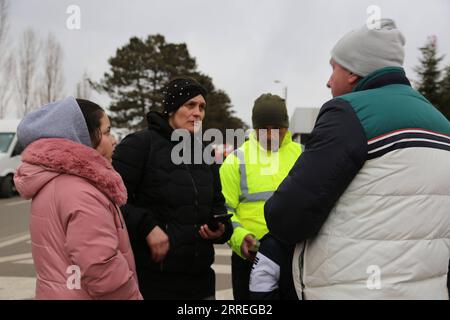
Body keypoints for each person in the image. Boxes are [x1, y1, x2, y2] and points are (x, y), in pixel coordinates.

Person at [265, 19, 450, 299]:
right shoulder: (441, 123)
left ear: (353, 71)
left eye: (333, 68)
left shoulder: (348, 114)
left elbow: (287, 217)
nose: (328, 80)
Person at [112, 77, 233, 300]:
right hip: (154, 281)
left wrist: (222, 228)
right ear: (172, 108)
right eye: (190, 105)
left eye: (202, 107)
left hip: (201, 282)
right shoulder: (139, 145)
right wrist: (147, 227)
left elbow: (217, 203)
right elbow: (110, 200)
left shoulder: (204, 151)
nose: (198, 113)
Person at [13, 97, 142, 300]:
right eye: (107, 132)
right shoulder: (82, 191)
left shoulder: (54, 181)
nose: (114, 139)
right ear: (84, 137)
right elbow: (101, 267)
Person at [219, 93, 302, 300]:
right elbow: (224, 210)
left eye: (277, 128)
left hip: (296, 256)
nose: (271, 135)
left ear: (286, 126)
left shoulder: (303, 155)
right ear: (255, 129)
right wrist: (240, 239)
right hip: (249, 257)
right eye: (264, 129)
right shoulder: (236, 160)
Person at [249, 233, 297, 300]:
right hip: (254, 245)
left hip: (269, 243)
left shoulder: (271, 244)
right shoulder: (271, 245)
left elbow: (260, 292)